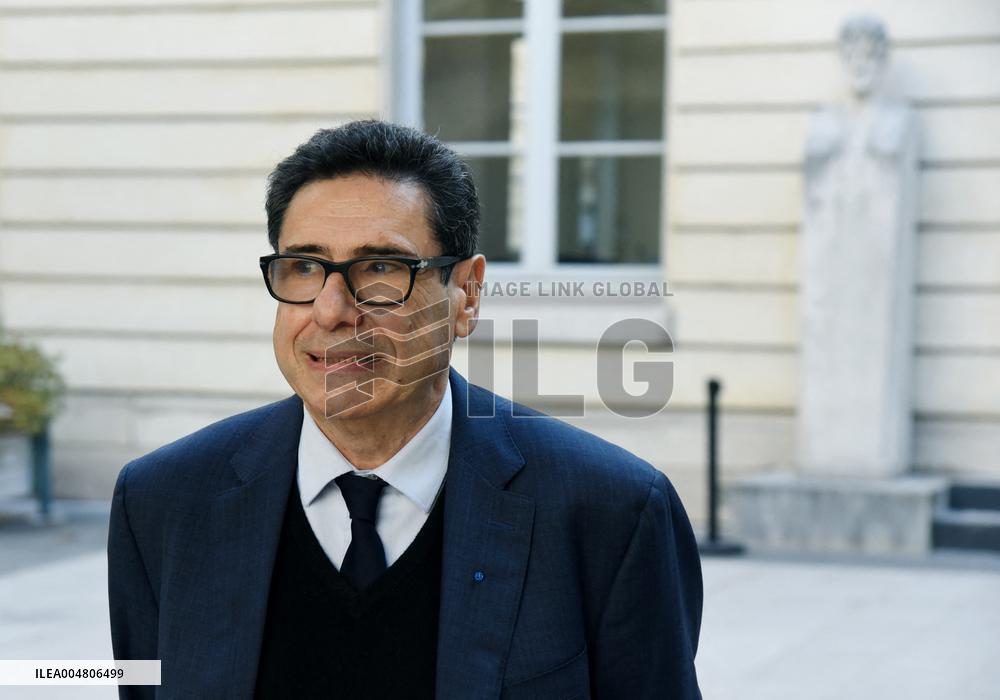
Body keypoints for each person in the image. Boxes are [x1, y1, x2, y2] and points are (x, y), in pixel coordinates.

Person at [107, 120, 703, 699]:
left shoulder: (613, 512)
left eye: (382, 269)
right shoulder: (161, 501)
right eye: (305, 267)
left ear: (466, 294)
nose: (331, 311)